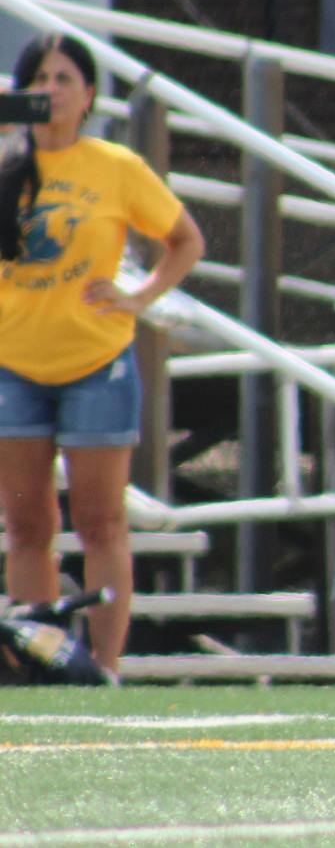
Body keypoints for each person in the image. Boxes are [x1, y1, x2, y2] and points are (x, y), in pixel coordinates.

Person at [0, 33, 206, 677]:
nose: (51, 92)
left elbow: (185, 240)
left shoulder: (115, 167)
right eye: (39, 79)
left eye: (65, 79)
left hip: (96, 362)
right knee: (27, 521)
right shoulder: (5, 162)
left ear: (89, 95)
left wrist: (137, 297)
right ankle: (38, 659)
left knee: (101, 519)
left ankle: (104, 665)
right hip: (14, 363)